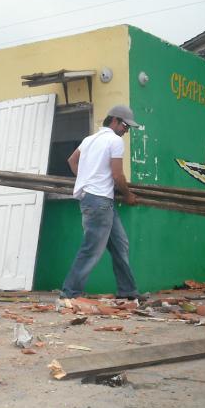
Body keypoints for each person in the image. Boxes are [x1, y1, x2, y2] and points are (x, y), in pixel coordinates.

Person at [60, 104, 146, 300]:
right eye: (125, 126)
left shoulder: (89, 140)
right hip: (100, 202)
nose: (126, 130)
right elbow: (117, 175)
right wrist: (129, 195)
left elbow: (72, 161)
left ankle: (128, 291)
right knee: (91, 249)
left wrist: (85, 179)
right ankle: (69, 292)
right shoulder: (114, 141)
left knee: (120, 244)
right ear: (114, 121)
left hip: (99, 201)